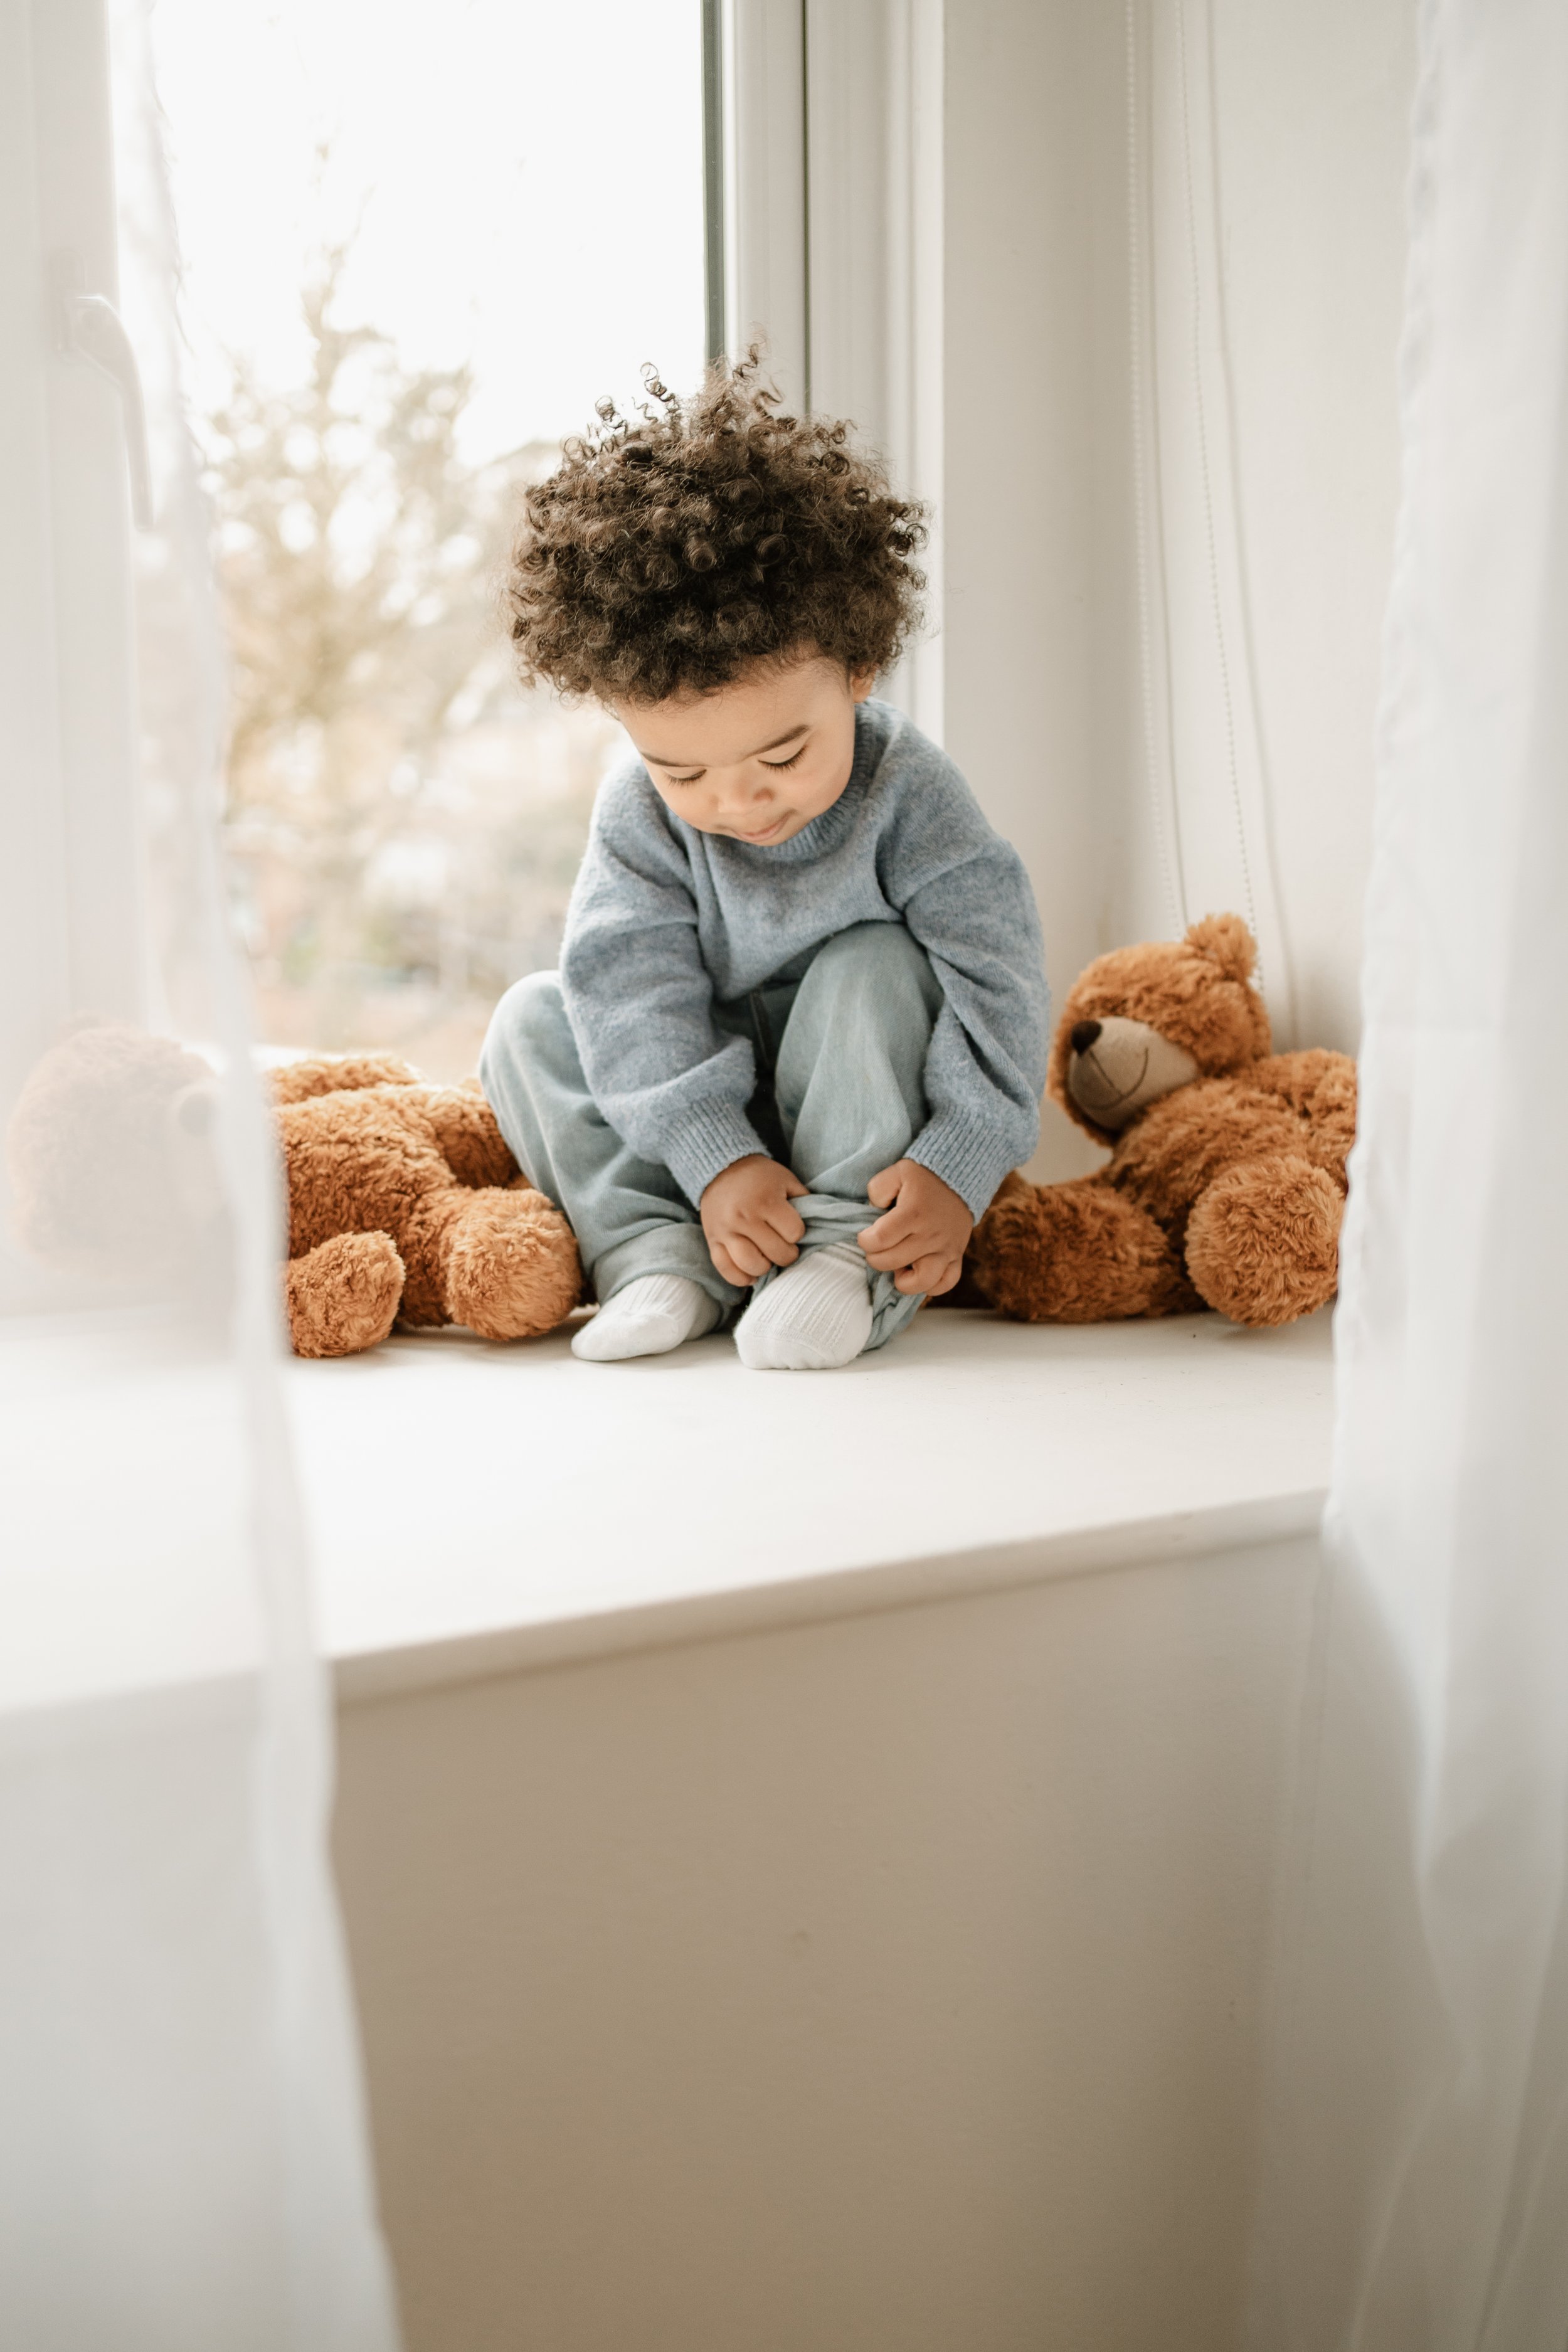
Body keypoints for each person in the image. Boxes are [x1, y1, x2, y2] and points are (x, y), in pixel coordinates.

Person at [480, 358, 1048, 1370]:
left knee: (872, 961)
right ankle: (660, 1259)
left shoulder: (910, 791)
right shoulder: (638, 815)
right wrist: (713, 1157)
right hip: (703, 1129)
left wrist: (958, 1162)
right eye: (682, 768)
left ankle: (842, 1263)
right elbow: (628, 987)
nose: (738, 802)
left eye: (784, 756)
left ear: (859, 670)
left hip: (859, 1120)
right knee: (532, 1016)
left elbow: (997, 979)